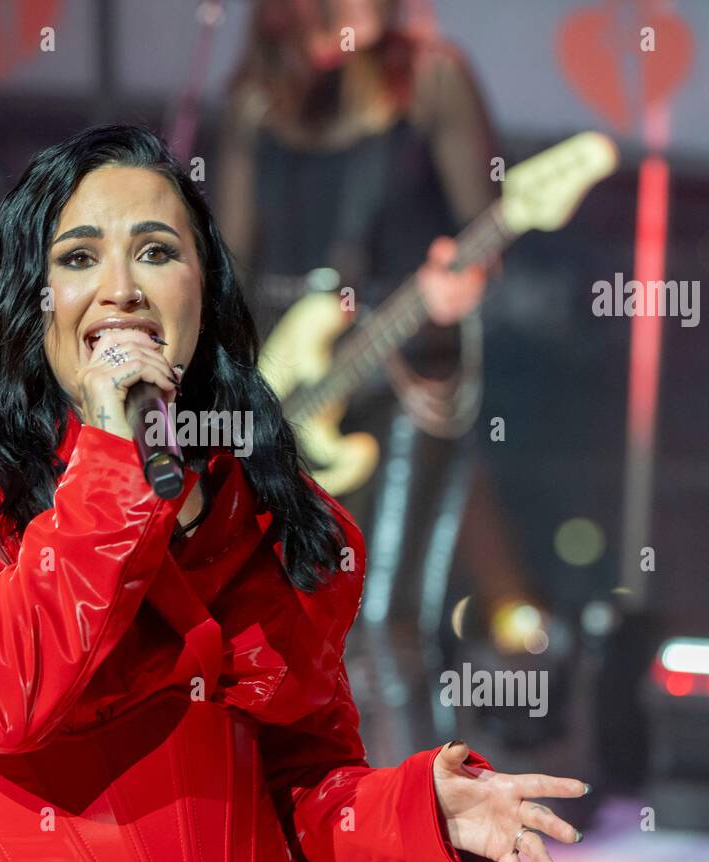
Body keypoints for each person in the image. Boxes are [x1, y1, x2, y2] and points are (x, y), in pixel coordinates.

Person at [0, 123, 586, 862]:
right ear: (27, 294)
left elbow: (298, 795)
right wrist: (115, 460)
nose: (121, 290)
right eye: (78, 258)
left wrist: (416, 807)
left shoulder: (276, 514)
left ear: (204, 290)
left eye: (155, 252)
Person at [216, 0, 540, 753]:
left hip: (406, 377)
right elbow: (230, 267)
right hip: (292, 390)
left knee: (387, 624)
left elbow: (485, 224)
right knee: (288, 627)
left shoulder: (430, 80)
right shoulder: (254, 100)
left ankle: (425, 830)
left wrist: (465, 275)